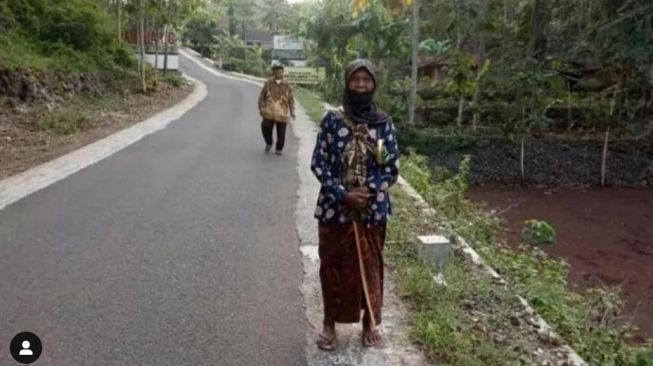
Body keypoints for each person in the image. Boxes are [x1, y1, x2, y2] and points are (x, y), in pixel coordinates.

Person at [310, 59, 399, 351]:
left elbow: (391, 168)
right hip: (335, 210)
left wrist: (368, 192)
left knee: (370, 266)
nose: (361, 85)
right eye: (355, 80)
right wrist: (341, 193)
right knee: (333, 266)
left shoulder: (383, 124)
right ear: (347, 83)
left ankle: (369, 321)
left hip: (372, 211)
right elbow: (319, 163)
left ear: (374, 84)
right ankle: (329, 323)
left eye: (367, 80)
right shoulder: (332, 121)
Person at [258, 64, 295, 155]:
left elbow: (291, 100)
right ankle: (269, 142)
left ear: (283, 72)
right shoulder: (268, 83)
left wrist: (292, 111)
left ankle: (279, 149)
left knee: (281, 133)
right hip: (269, 111)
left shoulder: (287, 85)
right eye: (276, 71)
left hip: (282, 112)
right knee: (265, 127)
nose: (278, 73)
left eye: (280, 71)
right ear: (273, 72)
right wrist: (261, 107)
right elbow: (262, 96)